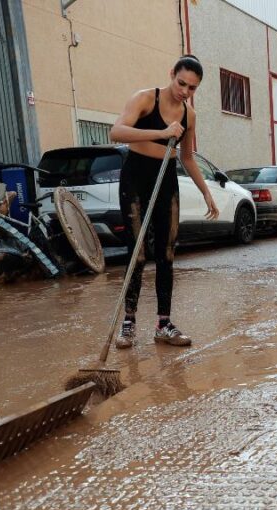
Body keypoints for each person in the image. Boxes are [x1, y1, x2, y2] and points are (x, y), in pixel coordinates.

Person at [109, 54, 219, 348]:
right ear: (172, 74)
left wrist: (205, 191)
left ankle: (163, 324)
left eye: (192, 88)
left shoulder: (189, 115)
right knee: (138, 252)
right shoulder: (145, 99)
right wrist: (162, 132)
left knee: (166, 252)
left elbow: (187, 157)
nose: (184, 91)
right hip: (136, 177)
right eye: (181, 83)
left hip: (166, 177)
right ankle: (129, 322)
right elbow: (116, 132)